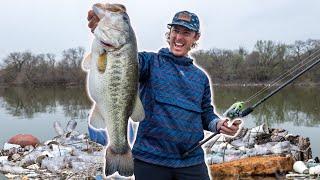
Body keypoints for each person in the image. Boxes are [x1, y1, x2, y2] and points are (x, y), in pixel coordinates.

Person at [87, 9, 241, 180]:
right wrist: (104, 31)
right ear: (169, 33)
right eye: (175, 31)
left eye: (186, 33)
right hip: (150, 160)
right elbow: (123, 60)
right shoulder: (150, 62)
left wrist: (218, 124)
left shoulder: (201, 78)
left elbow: (206, 114)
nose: (179, 38)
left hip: (191, 162)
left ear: (195, 37)